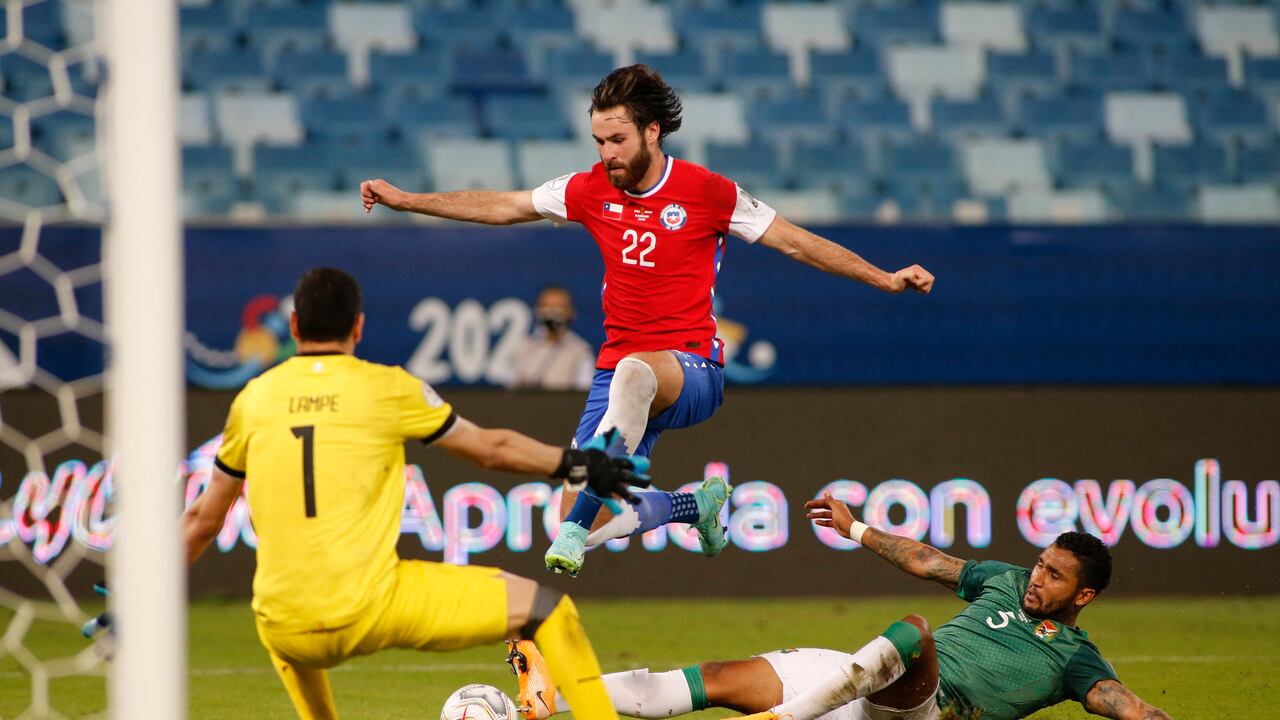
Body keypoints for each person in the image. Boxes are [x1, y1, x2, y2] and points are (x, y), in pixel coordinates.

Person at [360, 64, 936, 577]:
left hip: (692, 370)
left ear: (652, 132)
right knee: (581, 511)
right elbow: (505, 205)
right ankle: (693, 506)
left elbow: (794, 242)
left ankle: (575, 529)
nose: (606, 153)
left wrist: (883, 277)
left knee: (634, 381)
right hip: (616, 377)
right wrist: (408, 200)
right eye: (598, 141)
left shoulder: (708, 192)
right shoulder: (588, 189)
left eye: (617, 139)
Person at [183, 267, 649, 720]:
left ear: (293, 325)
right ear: (358, 327)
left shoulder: (253, 399)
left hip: (282, 623)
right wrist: (582, 464)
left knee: (287, 628)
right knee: (551, 612)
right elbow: (491, 450)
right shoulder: (386, 386)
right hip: (371, 606)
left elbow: (203, 520)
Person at [509, 494, 1173, 720]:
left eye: (1054, 576)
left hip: (923, 709)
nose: (1036, 578)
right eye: (1040, 563)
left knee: (915, 632)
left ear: (1084, 596)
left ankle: (786, 718)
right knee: (715, 678)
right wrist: (856, 528)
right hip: (862, 684)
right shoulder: (1003, 579)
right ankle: (549, 699)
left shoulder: (1075, 658)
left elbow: (1128, 706)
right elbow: (927, 560)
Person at [507, 284, 595, 391]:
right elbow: (511, 388)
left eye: (559, 307)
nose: (552, 312)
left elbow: (584, 392)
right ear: (537, 310)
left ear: (571, 312)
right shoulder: (523, 347)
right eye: (546, 306)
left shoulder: (581, 352)